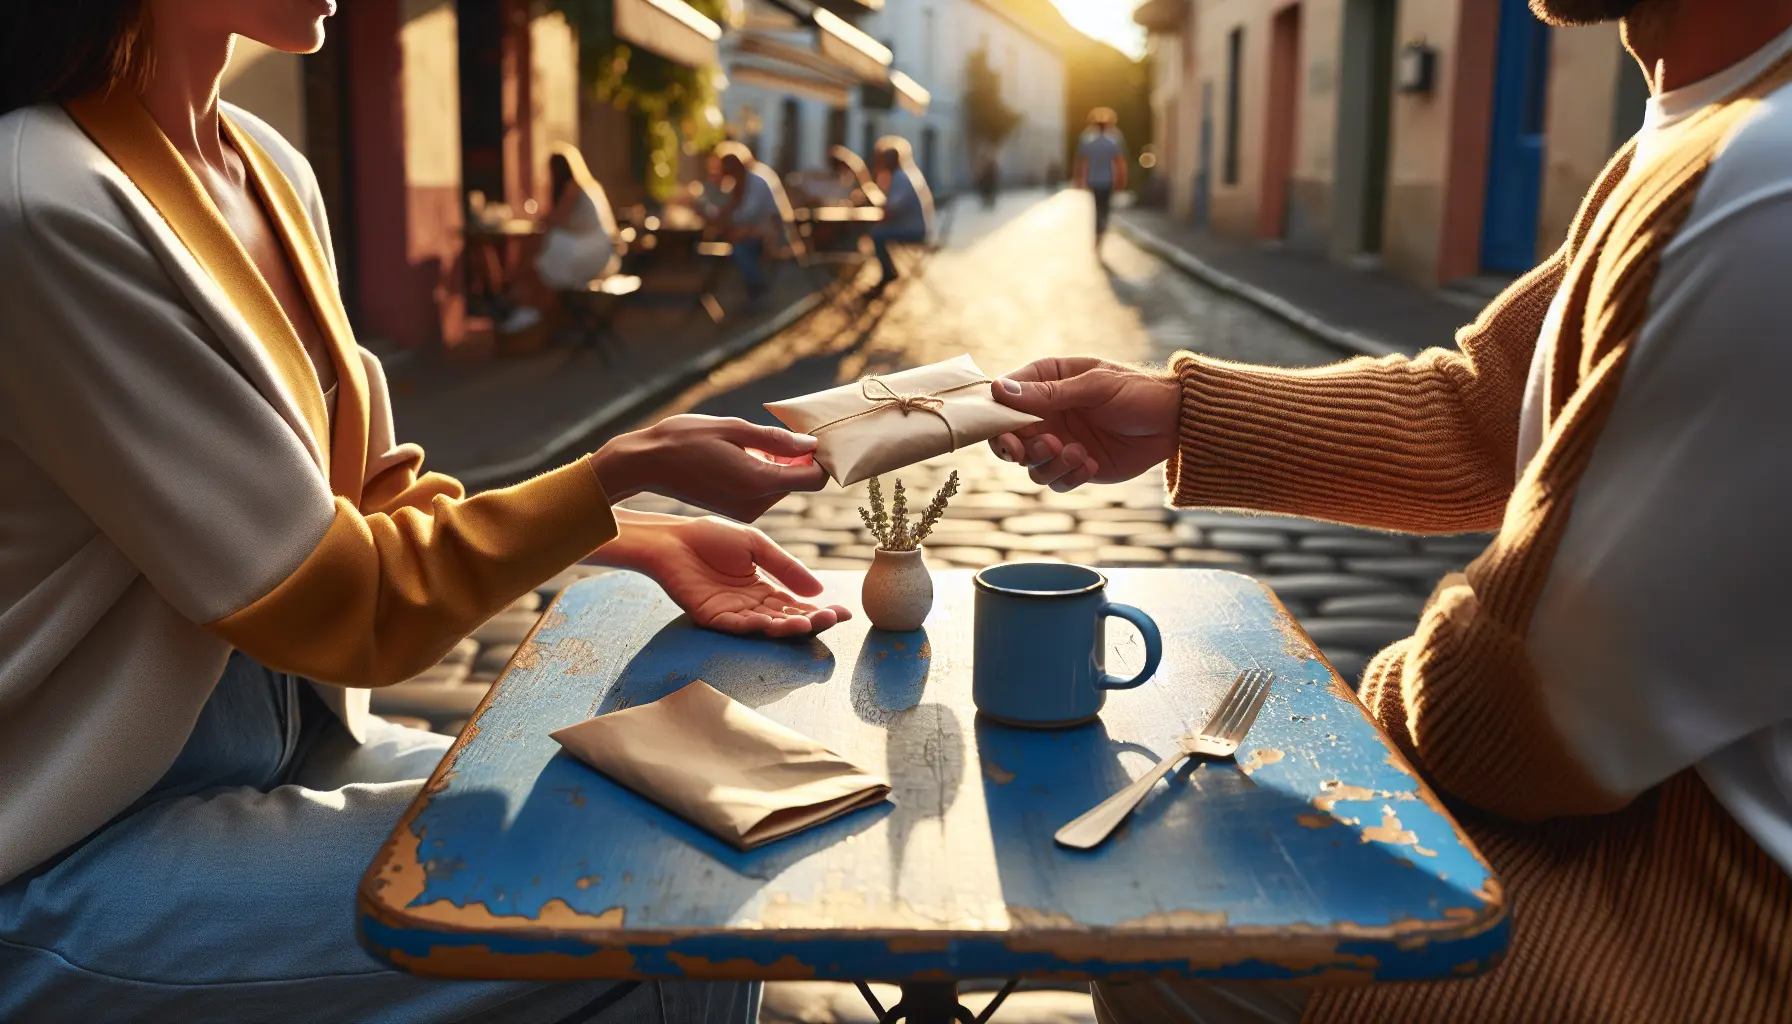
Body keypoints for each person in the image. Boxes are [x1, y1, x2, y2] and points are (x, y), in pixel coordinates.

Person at [0, 3, 850, 1020]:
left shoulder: (267, 162)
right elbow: (347, 604)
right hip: (76, 831)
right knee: (659, 892)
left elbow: (371, 496)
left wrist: (632, 534)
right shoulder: (42, 201)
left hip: (300, 739)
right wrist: (616, 471)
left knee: (703, 819)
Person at [989, 0, 1792, 1019]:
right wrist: (1184, 415)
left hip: (1703, 921)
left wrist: (1314, 715)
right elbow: (1485, 410)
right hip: (1631, 829)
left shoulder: (1767, 177)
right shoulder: (1708, 112)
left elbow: (1520, 710)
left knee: (1159, 913)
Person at [501, 142, 621, 335]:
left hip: (590, 253)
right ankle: (523, 303)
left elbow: (554, 221)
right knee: (544, 246)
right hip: (598, 250)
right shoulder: (588, 186)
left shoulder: (573, 188)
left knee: (545, 245)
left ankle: (519, 298)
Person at [711, 141, 795, 310]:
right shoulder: (733, 185)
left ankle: (758, 292)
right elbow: (727, 215)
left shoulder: (759, 181)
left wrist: (739, 227)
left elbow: (761, 217)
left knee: (740, 250)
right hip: (749, 234)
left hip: (770, 234)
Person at [868, 135, 935, 291]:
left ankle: (888, 273)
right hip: (915, 227)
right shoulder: (905, 175)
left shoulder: (901, 178)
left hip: (914, 231)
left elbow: (889, 211)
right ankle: (887, 272)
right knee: (877, 233)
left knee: (877, 235)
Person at [1075, 107, 1127, 247]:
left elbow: (1082, 162)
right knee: (1106, 207)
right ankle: (1102, 229)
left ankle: (1098, 231)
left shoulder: (1088, 141)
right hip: (1108, 179)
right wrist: (1122, 179)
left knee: (1098, 207)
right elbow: (1120, 162)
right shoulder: (1113, 141)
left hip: (1094, 179)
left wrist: (1080, 179)